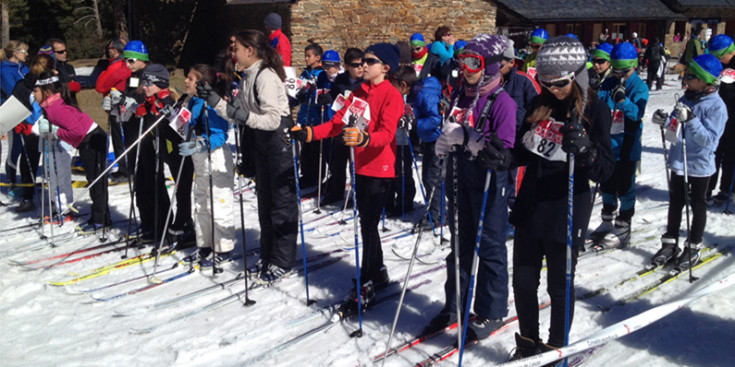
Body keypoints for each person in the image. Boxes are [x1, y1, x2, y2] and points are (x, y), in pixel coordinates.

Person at [510, 36, 614, 359]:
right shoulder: (540, 103)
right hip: (531, 206)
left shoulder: (596, 110)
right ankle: (528, 343)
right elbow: (522, 151)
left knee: (559, 287)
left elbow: (607, 170)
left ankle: (557, 350)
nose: (553, 90)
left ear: (578, 75)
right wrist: (504, 158)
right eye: (546, 83)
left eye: (560, 84)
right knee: (524, 283)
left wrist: (586, 152)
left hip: (566, 209)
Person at [290, 42, 403, 312]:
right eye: (363, 60)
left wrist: (364, 138)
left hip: (381, 169)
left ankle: (367, 280)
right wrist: (309, 133)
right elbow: (337, 123)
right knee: (367, 224)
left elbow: (387, 134)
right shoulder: (358, 92)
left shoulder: (392, 95)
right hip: (361, 169)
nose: (363, 65)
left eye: (370, 61)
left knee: (368, 224)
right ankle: (377, 272)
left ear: (385, 68)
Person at [422, 34, 517, 342]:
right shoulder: (462, 95)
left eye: (474, 63)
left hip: (490, 178)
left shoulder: (503, 101)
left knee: (489, 245)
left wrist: (469, 138)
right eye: (462, 62)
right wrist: (445, 141)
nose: (466, 69)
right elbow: (453, 125)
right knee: (459, 244)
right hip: (461, 175)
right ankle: (456, 303)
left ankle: (491, 309)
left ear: (489, 65)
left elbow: (504, 148)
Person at [199, 30, 298, 284]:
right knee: (264, 199)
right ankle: (267, 254)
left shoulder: (265, 76)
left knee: (281, 201)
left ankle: (283, 259)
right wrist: (214, 101)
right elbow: (237, 113)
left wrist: (244, 118)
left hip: (277, 139)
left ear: (250, 51)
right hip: (260, 139)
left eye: (237, 50)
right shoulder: (247, 76)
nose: (233, 54)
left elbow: (272, 119)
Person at [650, 54, 726, 269]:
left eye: (691, 76)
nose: (686, 79)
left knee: (697, 204)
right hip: (679, 162)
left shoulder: (716, 106)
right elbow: (674, 131)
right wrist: (665, 122)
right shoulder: (686, 98)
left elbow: (709, 141)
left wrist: (691, 120)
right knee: (675, 203)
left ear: (706, 80)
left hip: (700, 164)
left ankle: (693, 245)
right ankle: (670, 242)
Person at [34, 71, 111, 234]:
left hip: (92, 139)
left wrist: (54, 131)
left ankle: (101, 220)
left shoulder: (56, 108)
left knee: (96, 181)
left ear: (46, 92)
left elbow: (76, 131)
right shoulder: (51, 106)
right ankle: (99, 217)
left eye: (36, 90)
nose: (33, 94)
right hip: (86, 141)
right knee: (93, 179)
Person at [590, 42, 648, 249]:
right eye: (616, 70)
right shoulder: (609, 83)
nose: (619, 75)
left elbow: (637, 113)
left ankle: (624, 225)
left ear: (634, 66)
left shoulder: (639, 86)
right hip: (608, 144)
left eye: (624, 71)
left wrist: (623, 101)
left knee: (625, 187)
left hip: (627, 145)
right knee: (606, 184)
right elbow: (599, 106)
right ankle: (606, 221)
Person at [179, 64, 235, 268]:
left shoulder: (213, 104)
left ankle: (223, 247)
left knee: (217, 203)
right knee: (201, 202)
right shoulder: (193, 102)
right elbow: (187, 125)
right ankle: (205, 244)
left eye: (191, 78)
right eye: (187, 77)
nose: (186, 81)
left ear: (204, 84)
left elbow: (221, 135)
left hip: (215, 157)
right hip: (199, 158)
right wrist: (173, 118)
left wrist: (202, 143)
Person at [134, 64, 194, 245]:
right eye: (143, 82)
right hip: (166, 153)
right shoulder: (150, 102)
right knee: (172, 188)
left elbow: (187, 127)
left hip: (181, 154)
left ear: (160, 84)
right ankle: (175, 224)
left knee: (183, 191)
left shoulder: (170, 101)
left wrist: (172, 116)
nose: (144, 87)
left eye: (148, 83)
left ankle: (185, 225)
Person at [7, 54, 55, 213]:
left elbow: (13, 104)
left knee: (30, 159)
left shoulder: (23, 83)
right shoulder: (48, 83)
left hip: (32, 126)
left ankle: (28, 197)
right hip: (42, 125)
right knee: (48, 159)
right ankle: (52, 197)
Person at [499, 40, 540, 216]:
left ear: (511, 62)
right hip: (499, 140)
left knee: (516, 182)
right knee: (501, 182)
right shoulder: (492, 82)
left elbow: (539, 108)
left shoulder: (524, 81)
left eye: (500, 61)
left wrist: (531, 132)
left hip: (519, 140)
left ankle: (519, 215)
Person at [321, 48, 364, 206]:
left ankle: (358, 194)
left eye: (362, 64)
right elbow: (334, 95)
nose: (360, 68)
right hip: (342, 124)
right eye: (355, 65)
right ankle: (336, 191)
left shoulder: (366, 82)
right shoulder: (340, 79)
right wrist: (327, 97)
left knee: (357, 163)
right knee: (337, 161)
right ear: (346, 66)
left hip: (359, 126)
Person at [95, 38, 132, 184]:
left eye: (109, 48)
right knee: (121, 137)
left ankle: (126, 169)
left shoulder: (117, 66)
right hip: (120, 106)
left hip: (119, 108)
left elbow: (100, 86)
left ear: (115, 50)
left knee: (120, 138)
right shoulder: (121, 65)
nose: (107, 50)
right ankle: (126, 167)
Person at [706, 34, 735, 204]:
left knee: (730, 155)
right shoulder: (719, 66)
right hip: (718, 115)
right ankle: (707, 187)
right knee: (714, 152)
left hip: (733, 116)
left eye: (718, 56)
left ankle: (727, 189)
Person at [386, 66, 418, 218]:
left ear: (404, 85)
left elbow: (418, 113)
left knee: (403, 171)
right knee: (392, 171)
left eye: (395, 85)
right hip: (391, 139)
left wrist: (411, 118)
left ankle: (405, 202)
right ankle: (390, 201)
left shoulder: (413, 96)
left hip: (405, 139)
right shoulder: (392, 94)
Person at [414, 72, 444, 228]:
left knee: (432, 178)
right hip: (429, 139)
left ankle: (435, 215)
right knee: (431, 177)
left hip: (435, 140)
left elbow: (436, 119)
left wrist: (415, 124)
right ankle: (435, 212)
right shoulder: (423, 92)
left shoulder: (425, 95)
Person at [296, 42, 327, 189]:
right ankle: (306, 174)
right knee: (305, 149)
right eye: (305, 56)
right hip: (304, 115)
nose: (306, 59)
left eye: (309, 56)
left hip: (316, 117)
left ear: (318, 57)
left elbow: (323, 94)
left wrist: (314, 92)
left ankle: (316, 176)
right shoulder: (305, 73)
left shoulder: (322, 74)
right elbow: (299, 88)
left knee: (315, 148)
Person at [1, 40, 30, 194]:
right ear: (15, 53)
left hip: (29, 110)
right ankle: (11, 182)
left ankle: (26, 180)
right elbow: (12, 90)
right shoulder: (5, 70)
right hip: (13, 111)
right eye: (24, 52)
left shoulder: (24, 67)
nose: (27, 55)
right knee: (15, 147)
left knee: (29, 147)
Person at [47, 38, 81, 105]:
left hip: (72, 104)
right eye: (61, 52)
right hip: (59, 105)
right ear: (52, 53)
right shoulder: (49, 69)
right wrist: (68, 87)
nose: (65, 53)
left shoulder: (69, 67)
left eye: (65, 51)